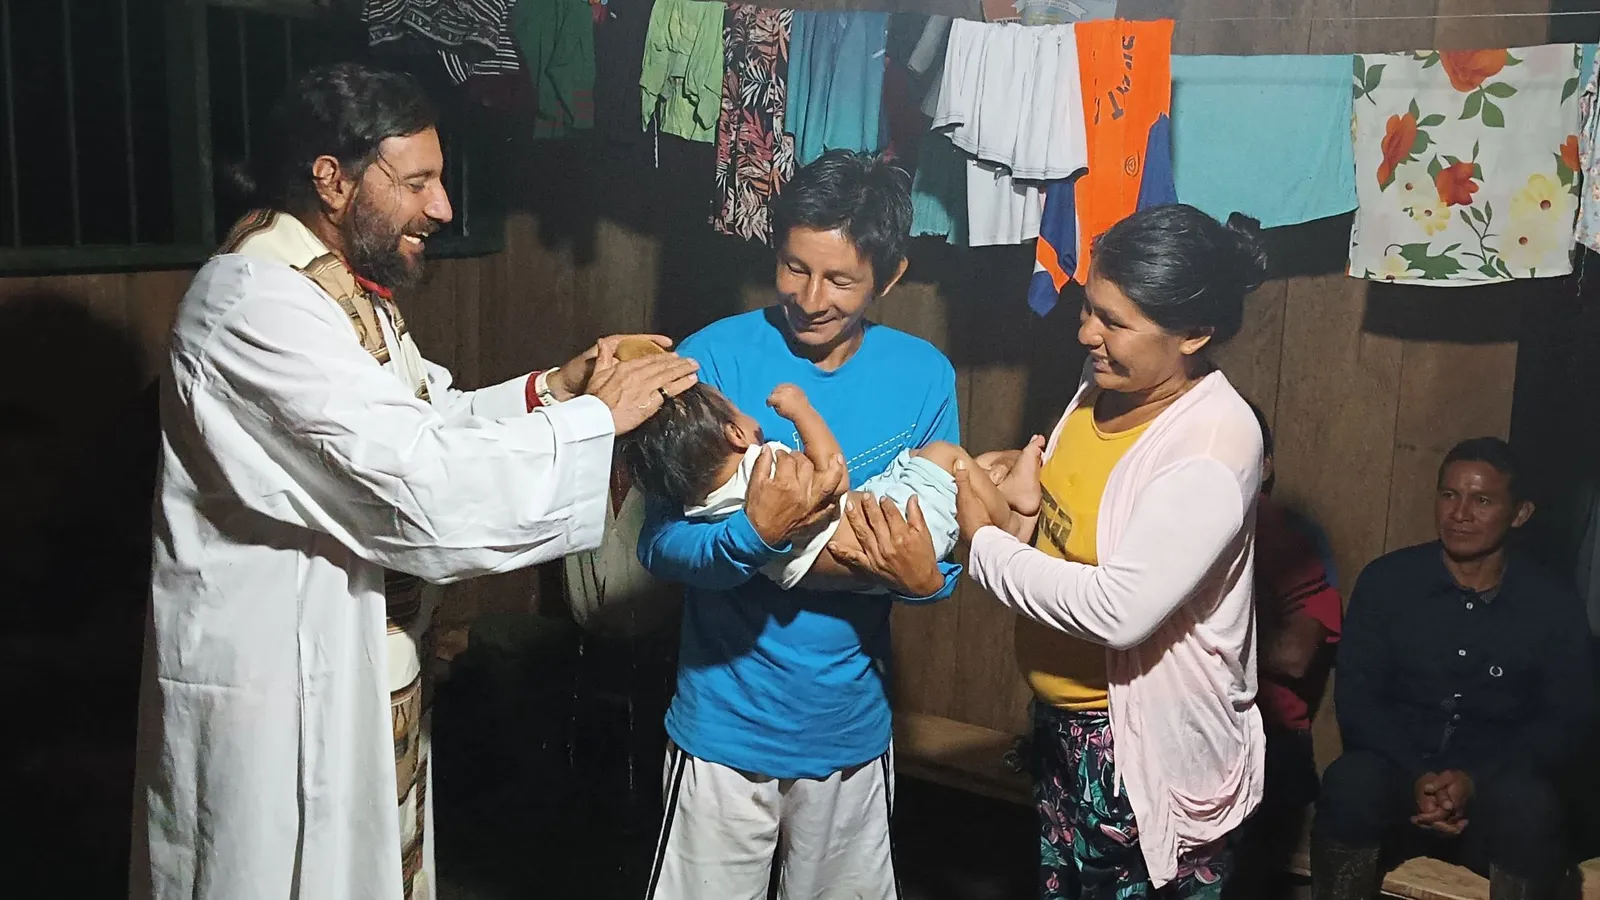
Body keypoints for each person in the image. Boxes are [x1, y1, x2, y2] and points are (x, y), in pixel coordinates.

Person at [130, 63, 698, 900]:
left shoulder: (337, 288)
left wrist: (558, 389)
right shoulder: (257, 303)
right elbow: (416, 485)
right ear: (332, 179)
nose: (444, 207)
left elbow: (429, 419)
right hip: (281, 682)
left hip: (347, 660)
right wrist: (595, 422)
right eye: (418, 182)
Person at [636, 149, 961, 899]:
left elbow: (943, 528)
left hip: (850, 728)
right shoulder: (711, 358)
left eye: (840, 280)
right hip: (724, 729)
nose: (810, 299)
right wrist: (755, 535)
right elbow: (657, 542)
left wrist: (932, 584)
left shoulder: (923, 375)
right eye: (793, 267)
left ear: (890, 276)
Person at [947, 204, 1270, 900]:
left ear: (1194, 334)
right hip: (1064, 730)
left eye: (1114, 322)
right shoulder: (1109, 383)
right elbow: (1077, 523)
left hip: (1139, 752)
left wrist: (986, 545)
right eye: (1089, 307)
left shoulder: (1211, 446)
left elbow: (1119, 611)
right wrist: (1025, 501)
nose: (1086, 333)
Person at [1312, 438, 1593, 900]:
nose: (1460, 514)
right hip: (1401, 780)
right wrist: (1418, 776)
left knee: (1531, 808)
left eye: (1481, 500)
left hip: (1495, 789)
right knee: (1350, 784)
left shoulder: (1551, 605)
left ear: (1519, 513)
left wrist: (1474, 780)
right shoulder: (1388, 582)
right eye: (1449, 495)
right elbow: (1359, 700)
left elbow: (1565, 720)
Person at [621, 375, 1042, 591]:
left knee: (968, 469)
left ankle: (996, 492)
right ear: (736, 435)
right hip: (894, 533)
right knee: (946, 455)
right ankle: (1011, 523)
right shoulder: (764, 471)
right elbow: (834, 476)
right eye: (734, 407)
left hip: (863, 556)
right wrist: (801, 411)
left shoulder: (701, 505)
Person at [1232, 401, 1343, 897]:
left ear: (1265, 467)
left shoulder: (1285, 535)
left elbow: (1297, 656)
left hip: (1264, 738)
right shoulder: (1171, 519)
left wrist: (1201, 642)